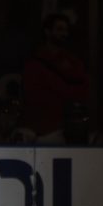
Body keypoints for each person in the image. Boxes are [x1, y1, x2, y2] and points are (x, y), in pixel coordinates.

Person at [20, 13, 90, 144]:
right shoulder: (34, 62)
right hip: (34, 128)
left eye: (66, 30)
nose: (64, 34)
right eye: (59, 29)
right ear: (47, 31)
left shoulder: (73, 62)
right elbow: (32, 94)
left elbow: (83, 91)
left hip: (61, 131)